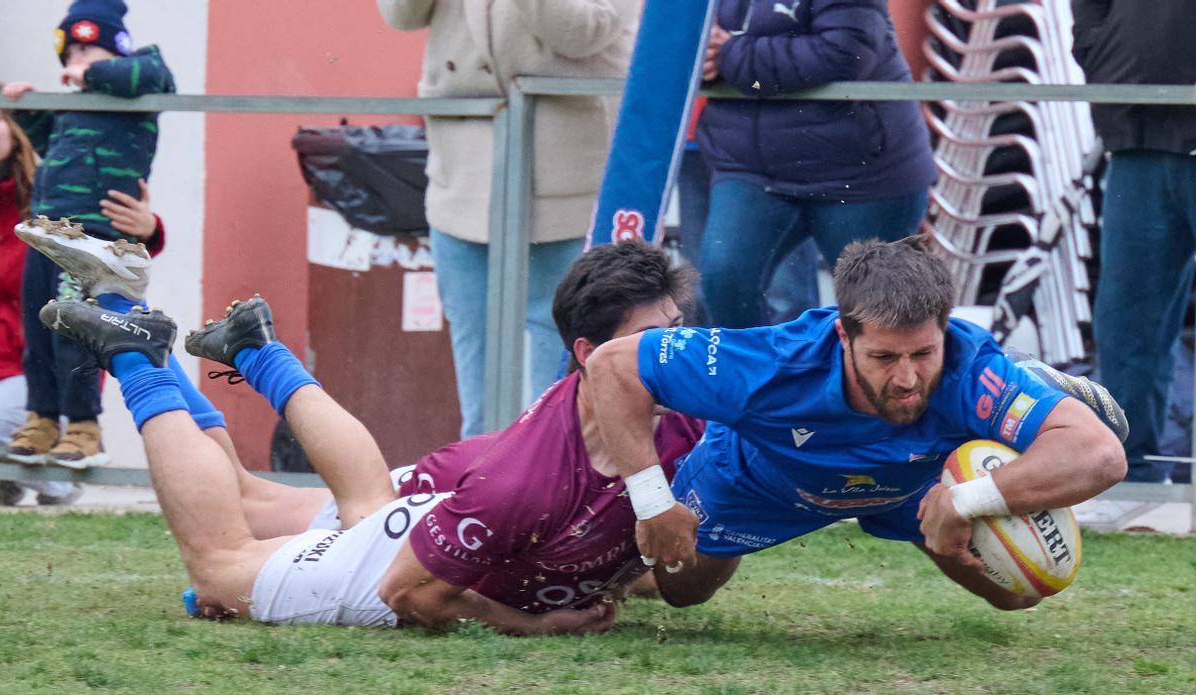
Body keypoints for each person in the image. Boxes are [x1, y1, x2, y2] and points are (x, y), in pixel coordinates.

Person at [23, 219, 702, 630]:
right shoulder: (526, 479)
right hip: (433, 533)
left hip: (446, 502)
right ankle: (136, 352)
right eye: (651, 338)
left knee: (264, 500)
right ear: (588, 354)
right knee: (222, 568)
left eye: (678, 329)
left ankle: (197, 332)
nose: (675, 350)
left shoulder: (681, 412)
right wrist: (536, 623)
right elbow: (410, 594)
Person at [587, 235, 1128, 611]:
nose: (908, 378)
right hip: (762, 481)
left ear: (945, 330)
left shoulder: (970, 368)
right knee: (681, 592)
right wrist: (653, 503)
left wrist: (966, 500)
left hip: (915, 488)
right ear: (843, 335)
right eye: (884, 358)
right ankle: (1031, 401)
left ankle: (1029, 393)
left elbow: (1101, 455)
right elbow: (611, 365)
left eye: (924, 353)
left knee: (1018, 593)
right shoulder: (770, 363)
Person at [375, 0, 639, 438]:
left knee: (557, 367)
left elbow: (584, 32)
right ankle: (482, 470)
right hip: (461, 170)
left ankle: (552, 471)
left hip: (564, 175)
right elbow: (401, 16)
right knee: (477, 359)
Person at [0, 0, 175, 469]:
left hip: (90, 237)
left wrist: (91, 74)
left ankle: (83, 426)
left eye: (86, 50)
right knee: (39, 329)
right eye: (70, 55)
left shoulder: (142, 76)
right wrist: (27, 104)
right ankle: (41, 418)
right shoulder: (77, 105)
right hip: (46, 233)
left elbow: (149, 75)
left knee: (72, 330)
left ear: (117, 49)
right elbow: (47, 140)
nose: (76, 63)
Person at [694, 0, 936, 327]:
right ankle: (764, 363)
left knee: (876, 314)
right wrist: (697, 58)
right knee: (724, 281)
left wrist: (732, 56)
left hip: (861, 170)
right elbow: (682, 43)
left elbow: (846, 54)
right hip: (750, 166)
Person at [1071, 0, 1196, 524]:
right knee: (1127, 324)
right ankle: (1131, 477)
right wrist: (1098, 45)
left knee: (1131, 324)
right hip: (1137, 139)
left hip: (1143, 125)